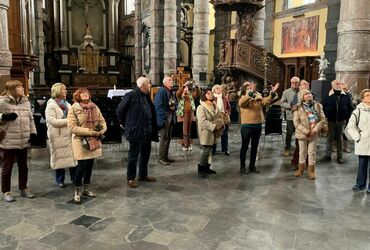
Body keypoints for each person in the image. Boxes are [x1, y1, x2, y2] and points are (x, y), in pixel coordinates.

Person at [116, 77, 158, 188]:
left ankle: (143, 175)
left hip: (146, 130)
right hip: (136, 130)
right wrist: (124, 123)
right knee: (133, 155)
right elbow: (120, 110)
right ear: (142, 85)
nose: (150, 85)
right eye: (149, 83)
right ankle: (130, 178)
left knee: (145, 154)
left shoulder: (145, 96)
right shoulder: (131, 95)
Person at [67, 88, 106, 204]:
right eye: (82, 93)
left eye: (87, 92)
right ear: (77, 96)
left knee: (89, 165)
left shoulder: (95, 106)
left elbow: (102, 121)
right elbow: (72, 127)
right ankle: (77, 191)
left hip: (93, 139)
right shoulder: (74, 108)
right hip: (80, 140)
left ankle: (86, 188)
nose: (85, 94)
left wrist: (102, 130)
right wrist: (90, 131)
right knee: (81, 166)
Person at [0, 80, 37, 202]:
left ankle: (23, 188)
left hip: (23, 140)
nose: (22, 89)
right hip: (8, 140)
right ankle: (6, 191)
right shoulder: (3, 102)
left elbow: (31, 119)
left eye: (22, 86)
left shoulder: (25, 102)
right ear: (12, 89)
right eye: (19, 87)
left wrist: (32, 133)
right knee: (7, 167)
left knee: (23, 166)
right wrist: (3, 117)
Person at [239, 81, 279, 174]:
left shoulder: (258, 96)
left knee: (255, 147)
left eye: (251, 87)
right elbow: (242, 103)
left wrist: (272, 94)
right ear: (244, 89)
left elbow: (266, 102)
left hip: (257, 125)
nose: (251, 88)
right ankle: (242, 166)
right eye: (248, 87)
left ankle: (252, 166)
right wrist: (250, 93)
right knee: (244, 147)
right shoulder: (243, 97)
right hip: (246, 125)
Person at [45, 83, 76, 188]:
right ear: (57, 91)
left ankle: (74, 178)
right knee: (60, 158)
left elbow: (73, 116)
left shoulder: (67, 104)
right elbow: (52, 121)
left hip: (68, 134)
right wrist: (69, 121)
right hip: (57, 136)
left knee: (72, 157)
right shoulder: (51, 105)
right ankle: (60, 180)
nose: (66, 91)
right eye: (63, 89)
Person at [292, 89, 326, 180]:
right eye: (306, 94)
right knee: (302, 152)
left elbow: (322, 119)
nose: (309, 95)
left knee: (312, 152)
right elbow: (296, 123)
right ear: (302, 97)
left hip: (314, 132)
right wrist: (307, 131)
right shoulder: (297, 108)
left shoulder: (318, 106)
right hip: (303, 133)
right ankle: (300, 169)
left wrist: (314, 130)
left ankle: (311, 171)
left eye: (309, 93)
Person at [321, 80, 353, 164]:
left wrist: (347, 117)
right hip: (330, 121)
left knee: (340, 139)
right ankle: (327, 156)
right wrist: (325, 118)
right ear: (332, 85)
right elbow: (323, 108)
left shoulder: (346, 96)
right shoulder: (327, 96)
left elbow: (350, 108)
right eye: (336, 84)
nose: (338, 85)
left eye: (340, 84)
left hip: (341, 121)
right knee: (329, 139)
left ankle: (340, 157)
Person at [196, 89, 224, 178]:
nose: (211, 94)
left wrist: (220, 122)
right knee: (206, 150)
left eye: (211, 93)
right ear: (204, 96)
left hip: (213, 132)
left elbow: (218, 116)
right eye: (208, 94)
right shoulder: (201, 107)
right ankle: (201, 169)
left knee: (209, 150)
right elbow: (202, 121)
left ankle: (206, 168)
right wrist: (214, 126)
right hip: (206, 131)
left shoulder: (214, 105)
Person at [346, 89, 370, 191]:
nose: (369, 97)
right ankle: (360, 184)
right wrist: (358, 138)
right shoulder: (357, 111)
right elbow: (350, 127)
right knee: (362, 165)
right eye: (367, 95)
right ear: (363, 99)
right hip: (363, 141)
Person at [154, 76, 176, 165]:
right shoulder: (162, 91)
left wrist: (175, 107)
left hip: (170, 116)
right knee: (164, 138)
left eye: (171, 80)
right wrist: (164, 117)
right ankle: (161, 158)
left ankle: (166, 157)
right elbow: (158, 106)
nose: (172, 81)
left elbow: (175, 102)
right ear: (165, 83)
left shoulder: (170, 91)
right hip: (166, 117)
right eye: (169, 80)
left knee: (168, 138)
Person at [176, 80, 200, 151]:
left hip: (191, 113)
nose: (186, 90)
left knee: (190, 128)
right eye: (185, 89)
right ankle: (184, 143)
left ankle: (189, 143)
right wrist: (183, 86)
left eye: (187, 89)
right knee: (184, 129)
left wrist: (196, 86)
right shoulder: (180, 96)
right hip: (183, 114)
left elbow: (197, 94)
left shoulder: (191, 95)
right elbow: (178, 93)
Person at [281, 76, 300, 157]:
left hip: (300, 117)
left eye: (296, 82)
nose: (294, 84)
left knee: (298, 133)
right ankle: (287, 148)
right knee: (289, 133)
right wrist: (290, 105)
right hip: (290, 116)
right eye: (293, 82)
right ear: (291, 83)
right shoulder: (286, 92)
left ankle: (298, 148)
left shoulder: (302, 91)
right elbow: (282, 103)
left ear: (298, 83)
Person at [211, 84, 231, 155]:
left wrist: (227, 113)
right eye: (217, 88)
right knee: (214, 134)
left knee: (225, 134)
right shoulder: (212, 98)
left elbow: (229, 107)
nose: (219, 90)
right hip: (215, 117)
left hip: (224, 117)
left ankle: (225, 149)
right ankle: (213, 150)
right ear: (214, 90)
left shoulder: (224, 98)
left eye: (220, 88)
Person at [340, 82, 355, 153]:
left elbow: (351, 106)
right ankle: (334, 145)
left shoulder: (348, 95)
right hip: (338, 116)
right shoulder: (335, 94)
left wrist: (349, 115)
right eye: (343, 89)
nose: (345, 90)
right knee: (337, 131)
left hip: (347, 115)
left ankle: (345, 146)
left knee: (346, 132)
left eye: (346, 89)